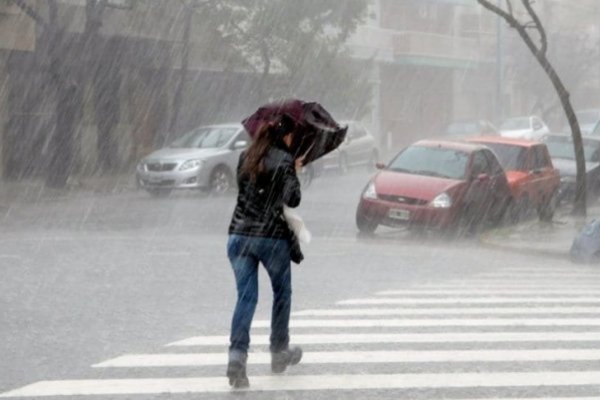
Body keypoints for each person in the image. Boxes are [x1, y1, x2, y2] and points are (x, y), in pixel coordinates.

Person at [226, 115, 304, 388]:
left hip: (238, 236)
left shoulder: (245, 156)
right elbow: (292, 198)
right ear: (285, 136)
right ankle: (279, 352)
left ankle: (236, 358)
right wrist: (293, 170)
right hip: (270, 238)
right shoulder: (284, 160)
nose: (293, 141)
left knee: (246, 299)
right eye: (292, 136)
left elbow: (247, 191)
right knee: (282, 293)